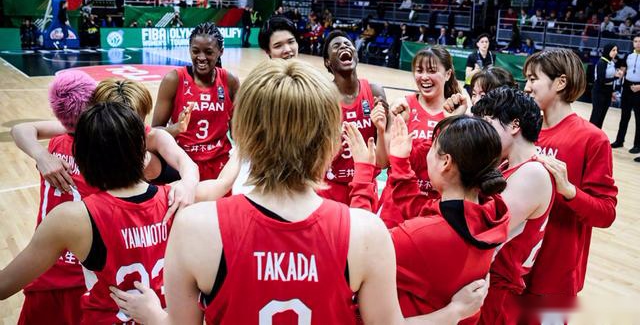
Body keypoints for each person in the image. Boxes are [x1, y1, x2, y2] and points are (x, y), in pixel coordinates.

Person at [109, 60, 490, 325]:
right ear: (329, 143)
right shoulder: (367, 233)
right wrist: (454, 312)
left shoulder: (194, 226)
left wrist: (152, 315)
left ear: (243, 135)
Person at [0, 102, 174, 324]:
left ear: (81, 158)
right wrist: (191, 177)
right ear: (142, 151)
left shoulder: (70, 219)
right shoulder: (176, 198)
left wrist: (40, 155)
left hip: (76, 295)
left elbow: (4, 286)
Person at [345, 114, 509, 324]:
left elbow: (359, 250)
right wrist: (400, 163)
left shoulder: (418, 237)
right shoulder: (490, 212)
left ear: (446, 162)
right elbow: (423, 212)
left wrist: (362, 173)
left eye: (432, 147)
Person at [11, 78, 201, 217]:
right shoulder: (87, 128)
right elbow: (21, 129)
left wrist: (188, 184)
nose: (124, 129)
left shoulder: (152, 137)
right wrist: (42, 156)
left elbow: (187, 164)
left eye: (133, 122)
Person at [522, 49, 617, 321]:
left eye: (533, 79)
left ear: (560, 83)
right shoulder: (524, 132)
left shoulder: (592, 139)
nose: (526, 87)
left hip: (555, 278)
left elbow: (606, 213)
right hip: (515, 269)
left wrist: (569, 191)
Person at [13, 71, 97, 325]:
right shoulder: (104, 149)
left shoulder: (56, 144)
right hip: (83, 271)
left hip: (45, 263)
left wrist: (40, 155)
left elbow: (21, 128)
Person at [471, 87, 554, 325]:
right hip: (488, 284)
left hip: (498, 291)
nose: (484, 133)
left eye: (489, 124)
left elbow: (484, 229)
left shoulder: (533, 172)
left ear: (515, 125)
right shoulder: (508, 164)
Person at [381, 46, 462, 227]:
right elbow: (383, 162)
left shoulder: (457, 114)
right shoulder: (402, 106)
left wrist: (455, 120)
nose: (424, 77)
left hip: (433, 208)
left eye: (432, 71)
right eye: (419, 71)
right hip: (396, 203)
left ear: (448, 74)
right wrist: (385, 128)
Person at [152, 22, 239, 186]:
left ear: (221, 52)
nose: (201, 57)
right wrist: (177, 128)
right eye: (195, 51)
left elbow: (237, 133)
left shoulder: (230, 81)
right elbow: (155, 132)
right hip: (182, 165)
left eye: (209, 52)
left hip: (219, 166)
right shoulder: (174, 80)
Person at [322, 30, 388, 206]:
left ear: (356, 55)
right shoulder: (322, 98)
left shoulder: (375, 92)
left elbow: (383, 161)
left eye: (347, 44)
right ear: (328, 62)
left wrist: (383, 128)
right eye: (336, 46)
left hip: (366, 186)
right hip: (331, 189)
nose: (343, 46)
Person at [610, 36, 640, 153]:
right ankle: (619, 140)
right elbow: (622, 70)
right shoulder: (628, 56)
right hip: (627, 87)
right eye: (636, 41)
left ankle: (637, 145)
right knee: (624, 116)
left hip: (639, 89)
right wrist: (618, 74)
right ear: (633, 43)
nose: (638, 43)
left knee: (639, 119)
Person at [589, 43, 619, 128]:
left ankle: (597, 135)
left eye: (616, 50)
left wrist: (612, 92)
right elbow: (601, 81)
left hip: (607, 92)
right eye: (613, 50)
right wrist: (616, 77)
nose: (616, 52)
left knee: (602, 117)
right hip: (599, 92)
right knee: (596, 116)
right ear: (608, 51)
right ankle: (589, 135)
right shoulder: (602, 62)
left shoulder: (611, 62)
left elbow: (610, 79)